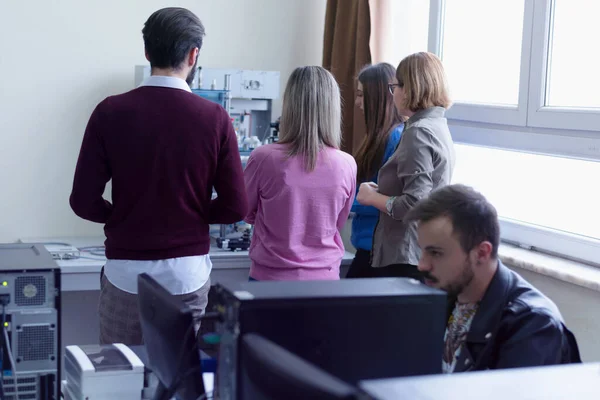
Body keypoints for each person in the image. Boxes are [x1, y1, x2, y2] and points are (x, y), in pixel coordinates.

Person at [69, 7, 248, 345]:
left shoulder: (110, 111)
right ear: (194, 55)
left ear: (147, 51)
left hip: (126, 273)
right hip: (187, 275)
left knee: (120, 377)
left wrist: (125, 217)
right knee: (178, 382)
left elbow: (82, 201)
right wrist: (191, 214)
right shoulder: (215, 118)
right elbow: (236, 206)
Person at [404, 184, 581, 373]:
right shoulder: (446, 293)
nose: (422, 265)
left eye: (436, 253)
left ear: (481, 253)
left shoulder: (532, 325)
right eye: (422, 250)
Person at [243, 66, 357, 281]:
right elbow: (336, 222)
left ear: (289, 104)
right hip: (325, 280)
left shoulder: (264, 158)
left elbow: (245, 211)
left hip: (270, 279)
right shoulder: (347, 164)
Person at [356, 51, 455, 279]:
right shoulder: (437, 125)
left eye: (396, 87)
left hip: (404, 254)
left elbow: (414, 204)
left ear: (411, 88)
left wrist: (372, 198)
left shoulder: (418, 132)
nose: (394, 94)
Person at [346, 63, 404, 279]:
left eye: (361, 95)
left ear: (377, 97)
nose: (357, 102)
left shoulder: (395, 138)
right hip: (369, 248)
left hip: (379, 252)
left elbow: (390, 201)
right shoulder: (379, 138)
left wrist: (344, 203)